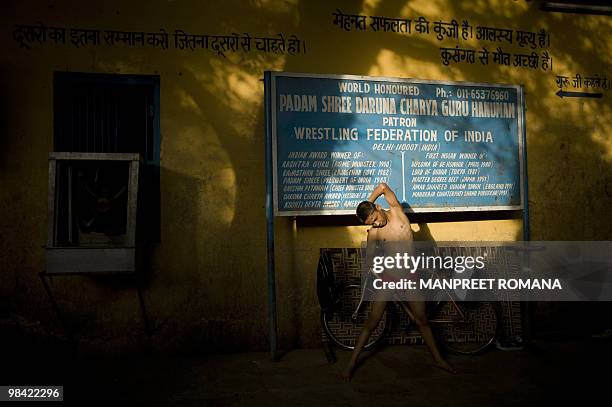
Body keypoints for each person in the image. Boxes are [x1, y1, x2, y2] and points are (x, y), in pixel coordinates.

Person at [341, 182, 455, 381]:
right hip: (388, 278)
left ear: (378, 208)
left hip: (410, 277)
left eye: (375, 219)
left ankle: (438, 359)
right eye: (371, 224)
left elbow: (383, 186)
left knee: (422, 320)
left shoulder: (397, 213)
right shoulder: (375, 233)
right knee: (371, 323)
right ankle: (350, 364)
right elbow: (370, 259)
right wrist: (372, 263)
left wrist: (368, 202)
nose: (375, 224)